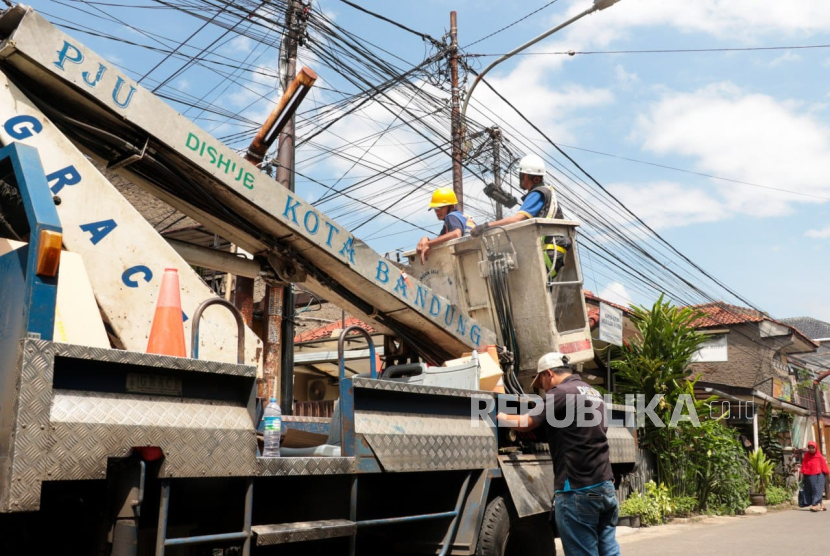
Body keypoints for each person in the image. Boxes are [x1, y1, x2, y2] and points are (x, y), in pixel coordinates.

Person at [497, 352, 619, 556]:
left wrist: (498, 415)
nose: (544, 388)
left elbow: (526, 422)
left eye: (541, 382)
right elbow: (579, 430)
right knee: (609, 551)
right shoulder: (593, 393)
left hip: (578, 490)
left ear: (549, 374)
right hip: (604, 487)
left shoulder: (560, 392)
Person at [471, 154, 571, 277]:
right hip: (553, 250)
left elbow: (517, 219)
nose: (521, 178)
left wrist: (486, 226)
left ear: (528, 177)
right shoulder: (545, 192)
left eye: (522, 175)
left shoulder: (537, 193)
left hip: (548, 251)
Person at [415, 187, 474, 264]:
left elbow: (456, 234)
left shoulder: (451, 216)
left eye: (440, 208)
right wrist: (426, 239)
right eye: (435, 208)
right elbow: (440, 239)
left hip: (468, 257)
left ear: (451, 206)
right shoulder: (460, 216)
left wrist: (428, 244)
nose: (437, 211)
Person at [800, 441, 829, 512]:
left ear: (816, 448)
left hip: (820, 474)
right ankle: (822, 505)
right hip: (809, 475)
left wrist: (826, 473)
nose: (811, 449)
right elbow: (804, 465)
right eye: (810, 448)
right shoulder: (806, 455)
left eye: (813, 448)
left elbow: (823, 465)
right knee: (814, 490)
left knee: (817, 489)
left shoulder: (819, 455)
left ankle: (815, 505)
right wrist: (803, 474)